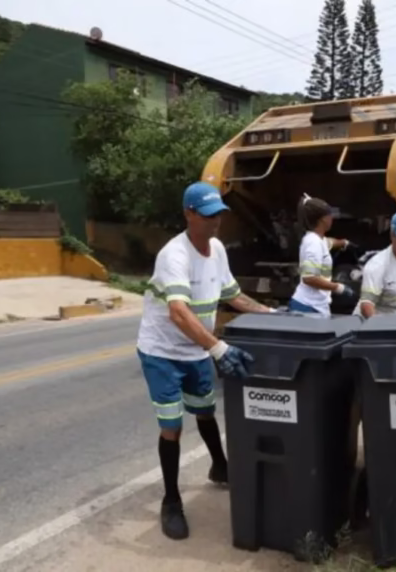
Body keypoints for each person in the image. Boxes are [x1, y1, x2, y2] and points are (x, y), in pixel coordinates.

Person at [136, 181, 274, 541]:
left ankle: (220, 467)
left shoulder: (216, 249)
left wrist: (273, 313)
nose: (215, 222)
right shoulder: (174, 255)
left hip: (196, 348)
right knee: (172, 426)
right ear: (189, 213)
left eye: (219, 215)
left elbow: (233, 295)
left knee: (206, 410)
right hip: (162, 352)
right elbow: (179, 313)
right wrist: (219, 348)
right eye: (208, 215)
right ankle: (171, 501)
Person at [288, 195, 355, 316]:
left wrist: (343, 242)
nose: (332, 219)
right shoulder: (313, 244)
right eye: (330, 216)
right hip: (308, 307)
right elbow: (309, 278)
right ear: (323, 219)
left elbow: (329, 242)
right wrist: (338, 287)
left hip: (315, 306)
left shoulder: (318, 239)